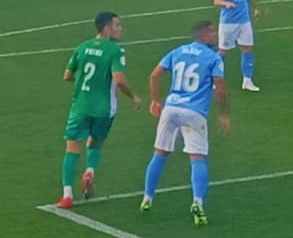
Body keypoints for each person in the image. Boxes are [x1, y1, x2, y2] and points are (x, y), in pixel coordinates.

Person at [143, 22, 230, 227]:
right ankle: (198, 202)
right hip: (194, 113)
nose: (216, 35)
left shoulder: (178, 51)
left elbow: (154, 75)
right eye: (213, 32)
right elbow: (220, 88)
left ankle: (147, 198)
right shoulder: (213, 58)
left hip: (171, 109)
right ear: (205, 35)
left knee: (160, 153)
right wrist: (225, 114)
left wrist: (155, 101)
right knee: (198, 158)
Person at [58, 12, 141, 208]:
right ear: (106, 28)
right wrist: (133, 96)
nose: (121, 29)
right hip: (104, 109)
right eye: (117, 25)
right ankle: (90, 171)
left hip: (80, 107)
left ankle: (67, 195)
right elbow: (119, 80)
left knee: (72, 149)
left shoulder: (82, 47)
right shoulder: (115, 51)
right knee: (95, 143)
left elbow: (67, 75)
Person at [213, 0, 261, 93]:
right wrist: (226, 3)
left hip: (244, 20)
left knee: (247, 49)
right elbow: (216, 0)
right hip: (229, 22)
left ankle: (247, 81)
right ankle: (214, 79)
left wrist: (255, 7)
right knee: (223, 51)